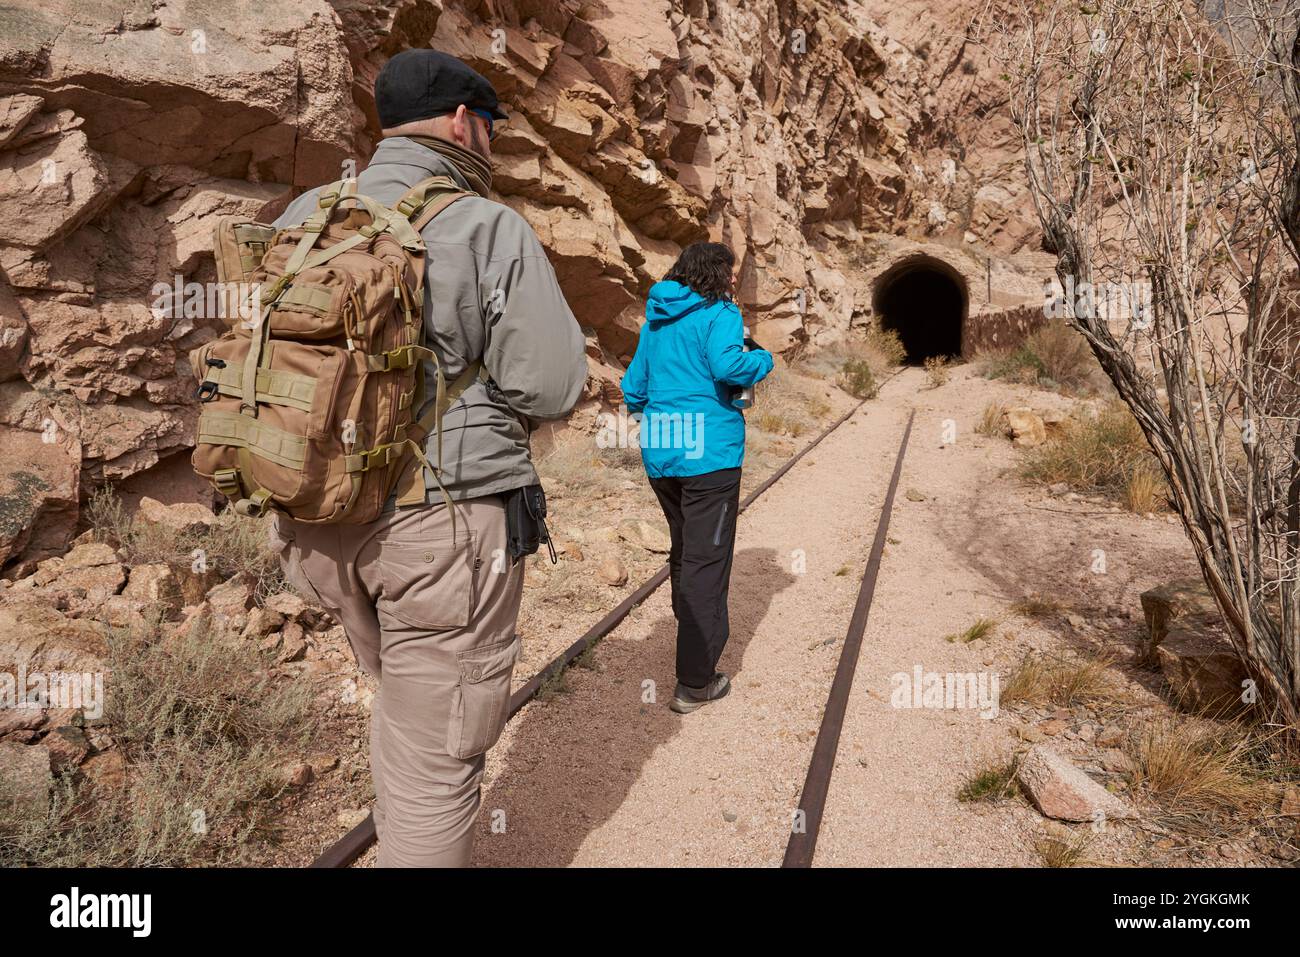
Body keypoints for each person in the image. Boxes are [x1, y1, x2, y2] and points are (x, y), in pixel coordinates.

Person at [269, 49, 587, 866]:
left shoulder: (305, 213)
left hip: (314, 516)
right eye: (489, 128)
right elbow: (551, 386)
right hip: (441, 531)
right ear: (461, 122)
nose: (492, 146)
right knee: (434, 764)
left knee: (405, 710)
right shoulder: (484, 224)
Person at [619, 243, 774, 714]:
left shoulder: (657, 320)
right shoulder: (720, 313)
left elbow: (633, 391)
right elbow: (730, 367)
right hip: (709, 455)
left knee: (686, 551)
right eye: (729, 273)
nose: (733, 281)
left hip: (663, 452)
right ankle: (696, 681)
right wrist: (764, 359)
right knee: (708, 558)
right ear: (715, 274)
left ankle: (689, 647)